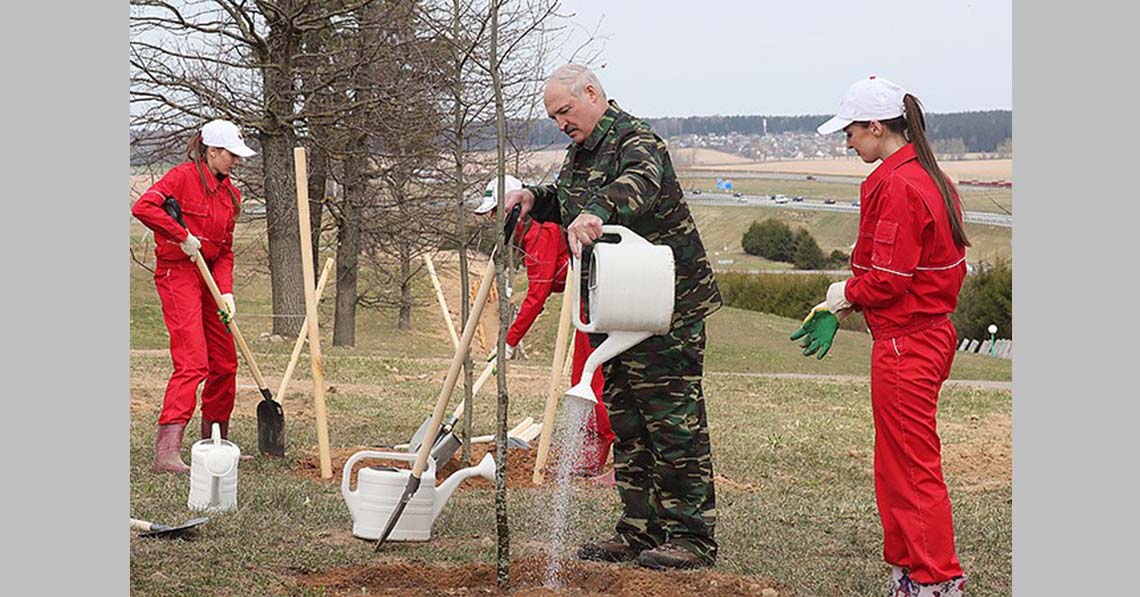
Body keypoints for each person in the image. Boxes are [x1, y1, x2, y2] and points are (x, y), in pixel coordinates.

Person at [503, 64, 723, 570]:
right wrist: (535, 199)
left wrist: (598, 212)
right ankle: (641, 529)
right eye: (553, 116)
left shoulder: (637, 141)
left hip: (667, 304)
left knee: (672, 422)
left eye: (566, 110)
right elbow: (568, 202)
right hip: (617, 302)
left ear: (592, 93)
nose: (561, 122)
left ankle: (690, 536)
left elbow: (635, 188)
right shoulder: (581, 152)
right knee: (627, 421)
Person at [792, 76, 970, 597]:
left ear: (876, 126)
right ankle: (912, 573)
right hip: (922, 333)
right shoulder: (928, 176)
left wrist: (838, 297)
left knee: (911, 466)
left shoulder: (898, 185)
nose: (847, 143)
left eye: (851, 132)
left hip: (906, 340)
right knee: (897, 461)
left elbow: (890, 280)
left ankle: (935, 579)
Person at [131, 119, 255, 474]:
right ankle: (166, 454)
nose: (236, 161)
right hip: (178, 274)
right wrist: (180, 234)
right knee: (193, 362)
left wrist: (226, 291)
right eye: (231, 154)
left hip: (210, 280)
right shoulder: (182, 177)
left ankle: (213, 443)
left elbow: (226, 250)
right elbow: (144, 208)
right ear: (212, 151)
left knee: (225, 363)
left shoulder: (232, 195)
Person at [473, 174, 614, 477]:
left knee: (589, 378)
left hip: (595, 299)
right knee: (585, 375)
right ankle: (591, 448)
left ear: (516, 210)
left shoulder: (541, 235)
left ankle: (597, 452)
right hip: (584, 300)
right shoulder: (532, 236)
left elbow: (538, 294)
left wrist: (509, 342)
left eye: (497, 212)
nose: (494, 221)